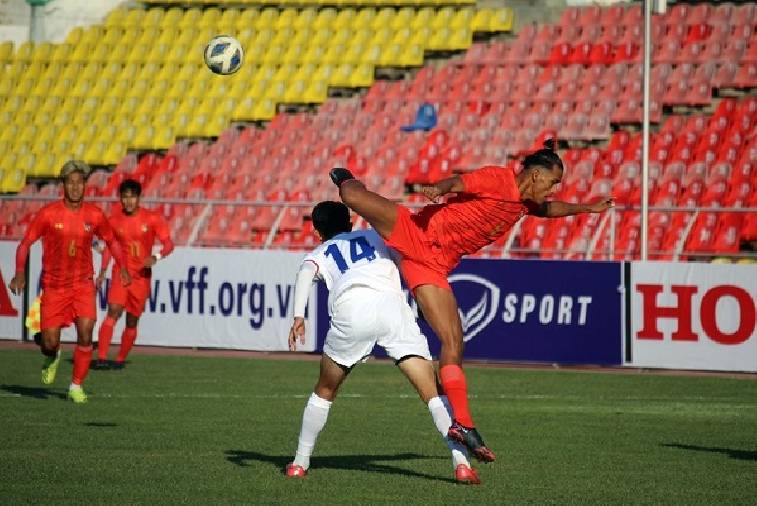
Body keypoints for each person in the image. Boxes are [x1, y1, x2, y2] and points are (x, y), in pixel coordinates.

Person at [329, 141, 614, 461]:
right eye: (552, 182)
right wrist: (439, 187)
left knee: (454, 342)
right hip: (416, 230)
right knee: (351, 196)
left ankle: (463, 424)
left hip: (432, 265)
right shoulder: (498, 179)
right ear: (534, 175)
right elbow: (458, 182)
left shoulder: (523, 202)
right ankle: (345, 177)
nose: (553, 189)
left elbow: (549, 210)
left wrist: (587, 208)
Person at [286, 201, 480, 484]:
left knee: (325, 389)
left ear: (317, 232)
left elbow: (305, 273)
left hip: (352, 311)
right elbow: (407, 264)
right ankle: (461, 463)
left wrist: (298, 316)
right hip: (392, 310)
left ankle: (299, 463)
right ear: (351, 223)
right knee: (433, 393)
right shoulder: (377, 235)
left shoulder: (320, 251)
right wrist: (423, 303)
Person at [9, 160, 131, 403]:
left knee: (86, 334)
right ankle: (51, 356)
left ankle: (76, 386)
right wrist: (20, 272)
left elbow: (112, 241)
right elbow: (25, 245)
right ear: (62, 185)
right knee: (49, 343)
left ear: (85, 186)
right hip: (54, 288)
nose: (76, 187)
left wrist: (124, 267)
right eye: (71, 182)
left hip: (83, 285)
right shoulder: (48, 214)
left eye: (80, 182)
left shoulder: (94, 214)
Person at [94, 178, 173, 369]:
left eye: (132, 197)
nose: (128, 201)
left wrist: (155, 257)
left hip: (141, 278)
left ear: (139, 198)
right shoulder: (113, 221)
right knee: (113, 311)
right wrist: (103, 271)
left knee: (131, 320)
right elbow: (107, 248)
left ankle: (120, 359)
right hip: (121, 273)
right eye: (124, 197)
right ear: (120, 199)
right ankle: (102, 358)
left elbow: (169, 244)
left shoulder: (152, 219)